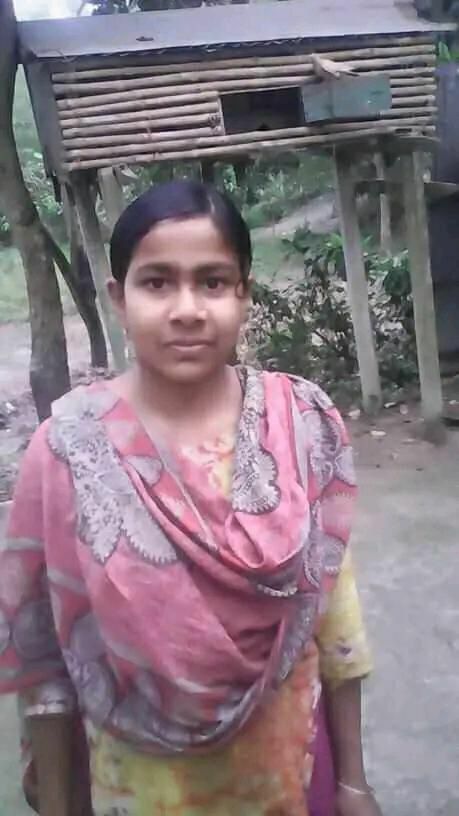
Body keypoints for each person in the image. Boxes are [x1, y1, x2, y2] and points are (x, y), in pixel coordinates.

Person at [0, 180, 382, 816]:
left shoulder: (298, 422)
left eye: (212, 282)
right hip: (140, 790)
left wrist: (353, 782)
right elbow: (44, 657)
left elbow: (335, 618)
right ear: (119, 299)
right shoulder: (67, 450)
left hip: (291, 772)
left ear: (243, 294)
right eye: (157, 283)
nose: (187, 309)